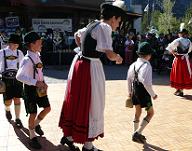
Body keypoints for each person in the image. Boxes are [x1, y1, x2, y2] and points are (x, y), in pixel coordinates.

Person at [58, 1, 125, 151]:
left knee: (78, 100)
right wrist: (118, 57)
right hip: (90, 67)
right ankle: (88, 146)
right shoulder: (105, 27)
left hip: (80, 64)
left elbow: (77, 35)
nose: (118, 25)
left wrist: (84, 50)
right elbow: (109, 53)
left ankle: (69, 136)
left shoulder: (92, 24)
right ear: (113, 18)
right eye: (118, 21)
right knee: (93, 103)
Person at [16, 31, 51, 149]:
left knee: (47, 108)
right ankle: (32, 137)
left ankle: (35, 125)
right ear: (32, 44)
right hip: (30, 89)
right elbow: (19, 76)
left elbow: (39, 72)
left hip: (39, 88)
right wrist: (36, 82)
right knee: (33, 113)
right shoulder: (26, 60)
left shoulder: (37, 55)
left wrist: (44, 82)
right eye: (39, 42)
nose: (41, 44)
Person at [127, 42, 158, 143]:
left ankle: (135, 132)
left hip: (135, 90)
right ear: (148, 55)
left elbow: (129, 79)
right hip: (144, 93)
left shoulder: (134, 64)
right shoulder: (146, 66)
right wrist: (153, 95)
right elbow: (146, 83)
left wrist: (130, 92)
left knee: (138, 112)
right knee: (150, 113)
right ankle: (137, 133)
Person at [0, 34, 24, 127]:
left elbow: (22, 66)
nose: (15, 46)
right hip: (6, 79)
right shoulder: (2, 52)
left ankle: (17, 118)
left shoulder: (20, 53)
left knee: (17, 98)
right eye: (14, 44)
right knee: (8, 101)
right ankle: (7, 109)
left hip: (17, 78)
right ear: (9, 43)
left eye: (17, 45)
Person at [166, 28, 192, 96]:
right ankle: (179, 90)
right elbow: (190, 50)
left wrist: (174, 53)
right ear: (186, 34)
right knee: (184, 74)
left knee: (178, 74)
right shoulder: (189, 41)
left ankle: (179, 90)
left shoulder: (177, 40)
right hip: (185, 60)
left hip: (178, 59)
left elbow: (169, 48)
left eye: (179, 33)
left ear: (181, 34)